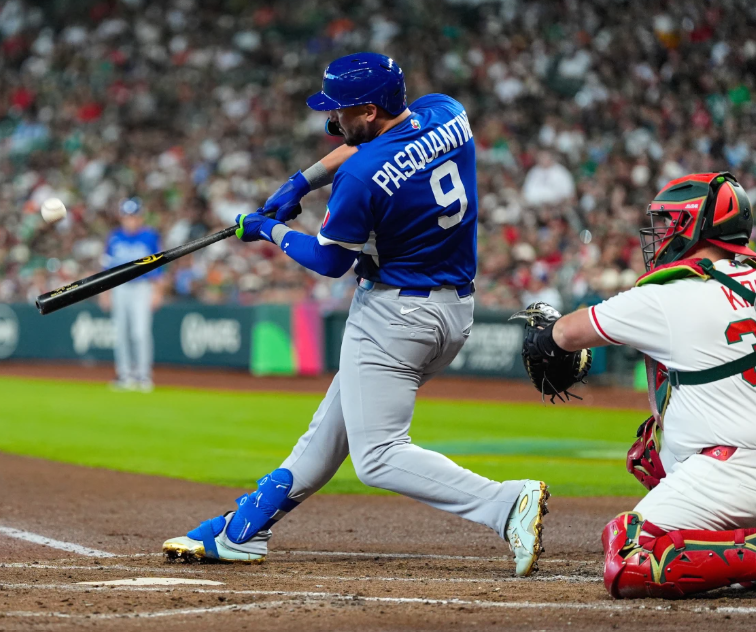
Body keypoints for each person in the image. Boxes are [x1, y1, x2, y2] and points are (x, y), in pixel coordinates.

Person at [163, 52, 549, 577]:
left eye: (342, 111)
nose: (332, 122)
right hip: (454, 311)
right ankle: (244, 529)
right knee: (331, 430)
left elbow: (330, 259)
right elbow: (375, 149)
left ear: (368, 111)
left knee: (379, 456)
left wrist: (269, 230)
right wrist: (302, 181)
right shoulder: (448, 113)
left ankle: (507, 504)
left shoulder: (362, 177)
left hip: (393, 317)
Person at [518, 172, 756, 598]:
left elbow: (564, 335)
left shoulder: (669, 294)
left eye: (668, 224)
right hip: (737, 462)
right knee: (654, 454)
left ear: (694, 225)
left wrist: (542, 333)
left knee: (629, 555)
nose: (660, 236)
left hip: (734, 471)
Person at [100, 197, 165, 392]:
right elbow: (107, 268)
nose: (131, 220)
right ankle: (125, 374)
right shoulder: (114, 237)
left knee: (140, 332)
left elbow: (160, 266)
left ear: (141, 217)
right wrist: (104, 293)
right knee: (121, 334)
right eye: (127, 216)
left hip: (142, 287)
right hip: (120, 288)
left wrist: (158, 291)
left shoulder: (150, 236)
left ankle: (143, 375)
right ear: (122, 218)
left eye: (134, 216)